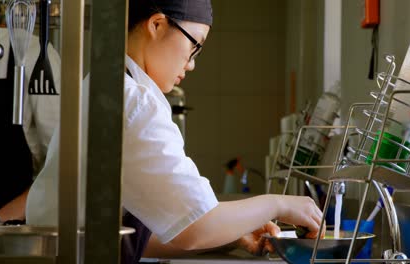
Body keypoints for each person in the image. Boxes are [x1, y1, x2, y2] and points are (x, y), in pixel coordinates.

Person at [26, 0, 325, 262]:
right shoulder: (134, 102)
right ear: (157, 25)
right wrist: (279, 203)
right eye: (194, 45)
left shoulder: (106, 87)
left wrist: (231, 236)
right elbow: (196, 228)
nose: (192, 64)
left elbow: (132, 240)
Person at [0, 22, 61, 223]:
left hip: (10, 229)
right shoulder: (36, 54)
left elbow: (60, 168)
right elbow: (60, 165)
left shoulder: (34, 55)